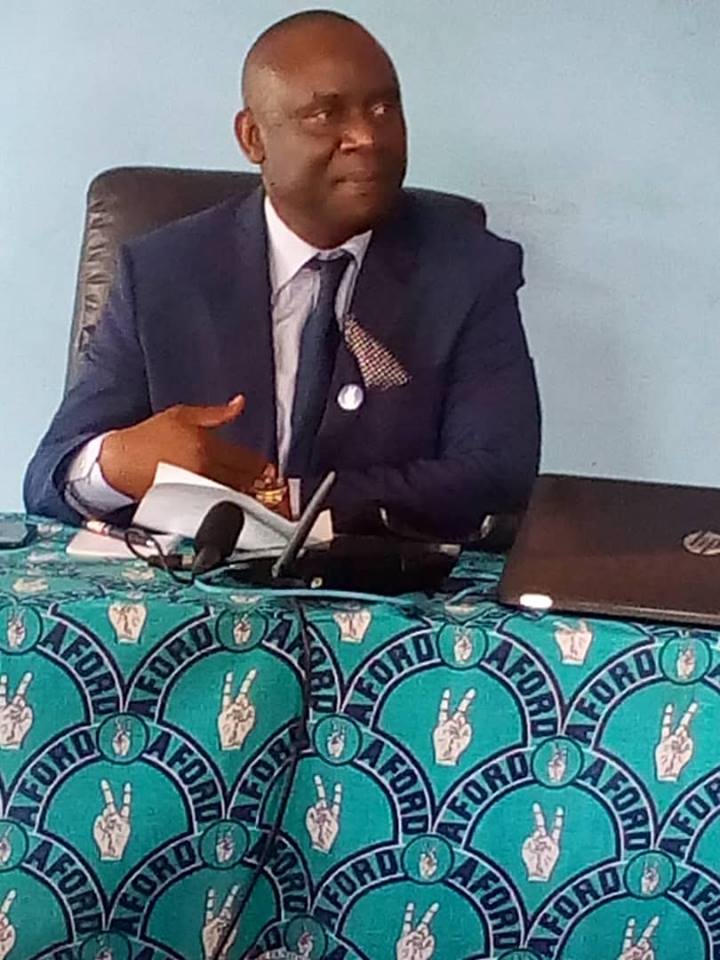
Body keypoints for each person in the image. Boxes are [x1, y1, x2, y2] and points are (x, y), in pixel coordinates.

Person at [24, 9, 541, 538]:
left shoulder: (469, 270)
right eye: (325, 114)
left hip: (381, 576)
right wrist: (116, 464)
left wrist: (286, 501)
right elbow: (47, 481)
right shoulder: (161, 273)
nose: (366, 136)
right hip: (194, 579)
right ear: (253, 138)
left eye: (384, 107)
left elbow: (499, 474)